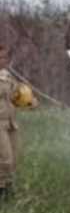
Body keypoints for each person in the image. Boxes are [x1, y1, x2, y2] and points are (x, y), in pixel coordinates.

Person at [0, 44, 38, 200]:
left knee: (14, 158)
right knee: (5, 158)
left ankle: (7, 190)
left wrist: (30, 101)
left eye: (4, 57)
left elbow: (18, 95)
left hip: (11, 122)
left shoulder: (7, 76)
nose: (3, 60)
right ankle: (1, 191)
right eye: (0, 57)